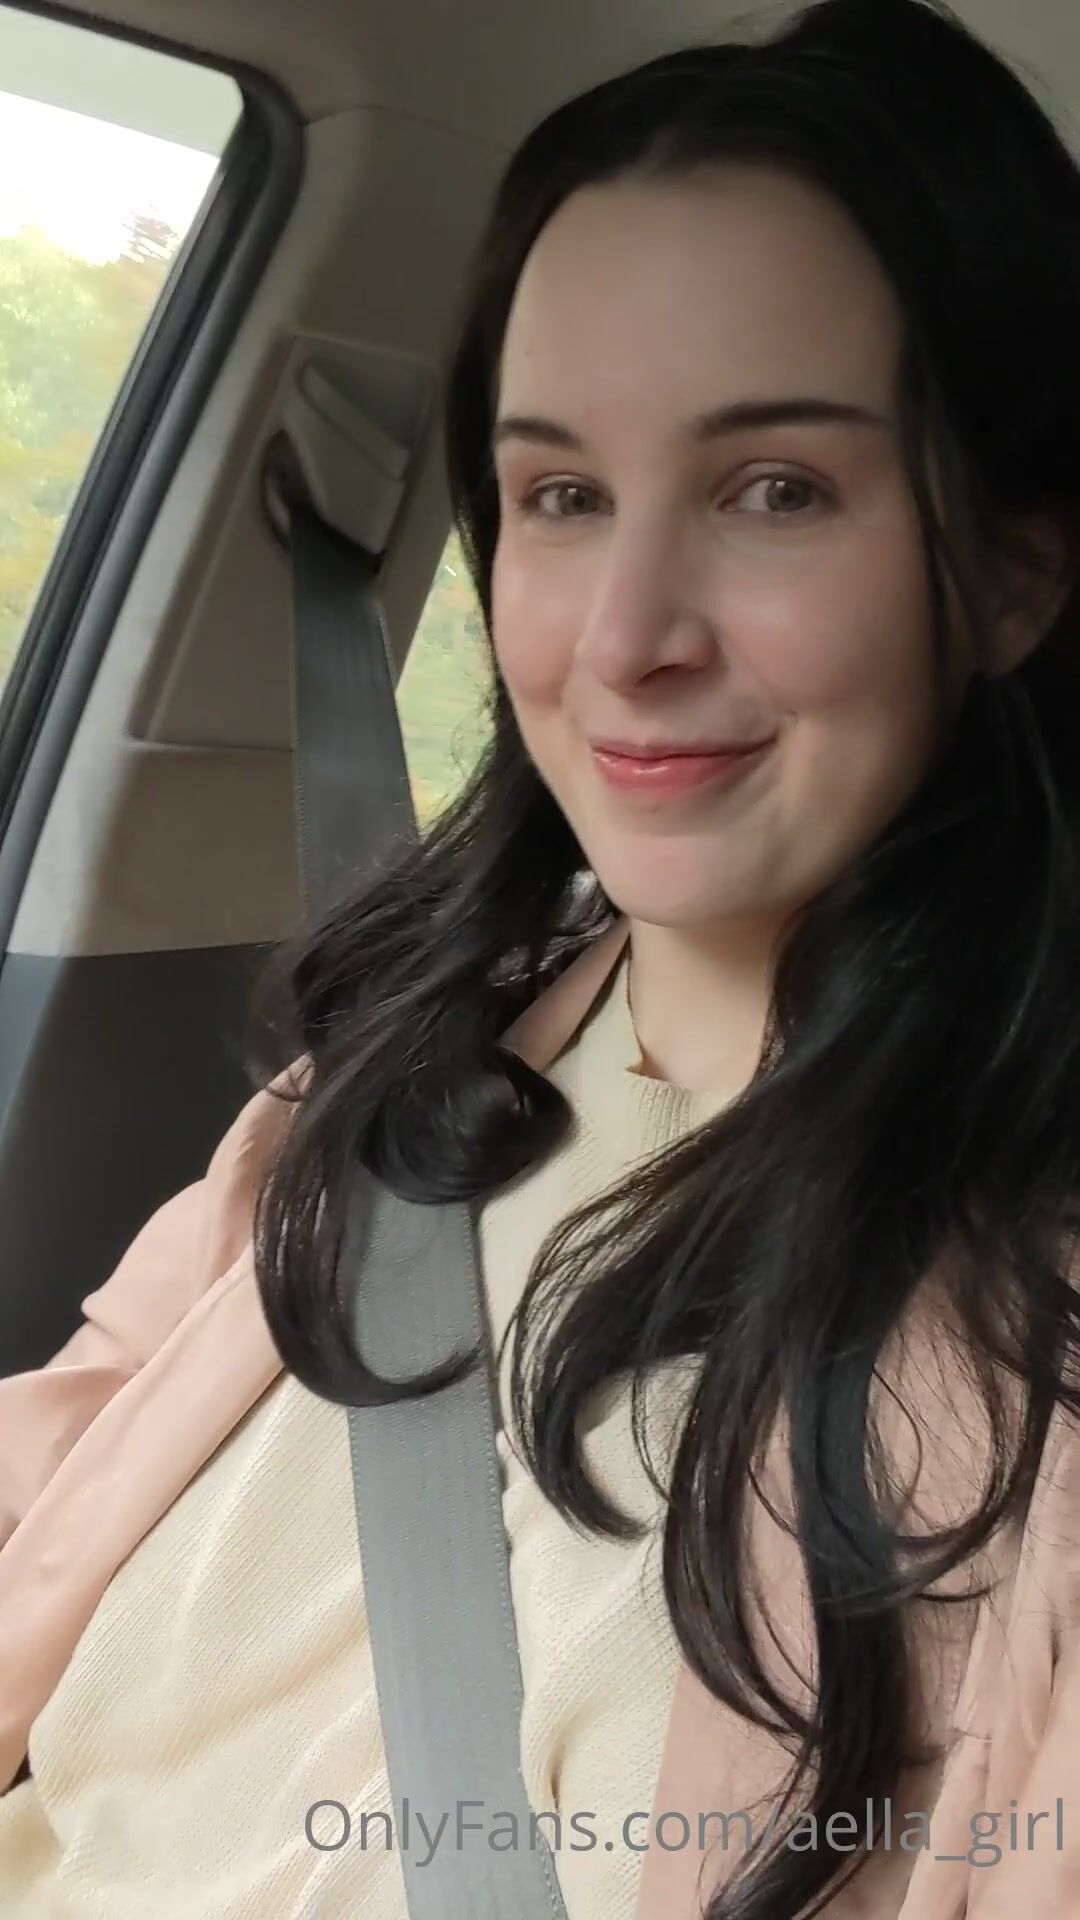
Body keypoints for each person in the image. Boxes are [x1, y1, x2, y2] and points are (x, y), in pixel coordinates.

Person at [3, 0, 1080, 1912]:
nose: (623, 637)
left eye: (774, 488)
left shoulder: (1034, 1377)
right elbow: (56, 1458)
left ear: (1011, 571)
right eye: (564, 496)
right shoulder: (403, 1055)